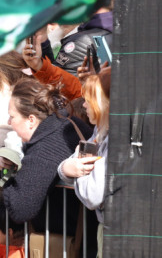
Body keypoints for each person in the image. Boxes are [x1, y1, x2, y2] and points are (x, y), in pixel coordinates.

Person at [0, 79, 90, 241]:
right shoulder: (65, 121)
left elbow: (19, 210)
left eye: (12, 116)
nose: (8, 122)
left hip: (69, 240)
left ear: (31, 120)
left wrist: (8, 173)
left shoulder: (44, 151)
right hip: (79, 234)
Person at [58, 69, 110, 256]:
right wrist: (66, 168)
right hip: (105, 225)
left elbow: (93, 195)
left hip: (115, 228)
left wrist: (78, 172)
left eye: (89, 99)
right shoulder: (99, 131)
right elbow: (71, 163)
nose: (84, 105)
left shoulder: (112, 139)